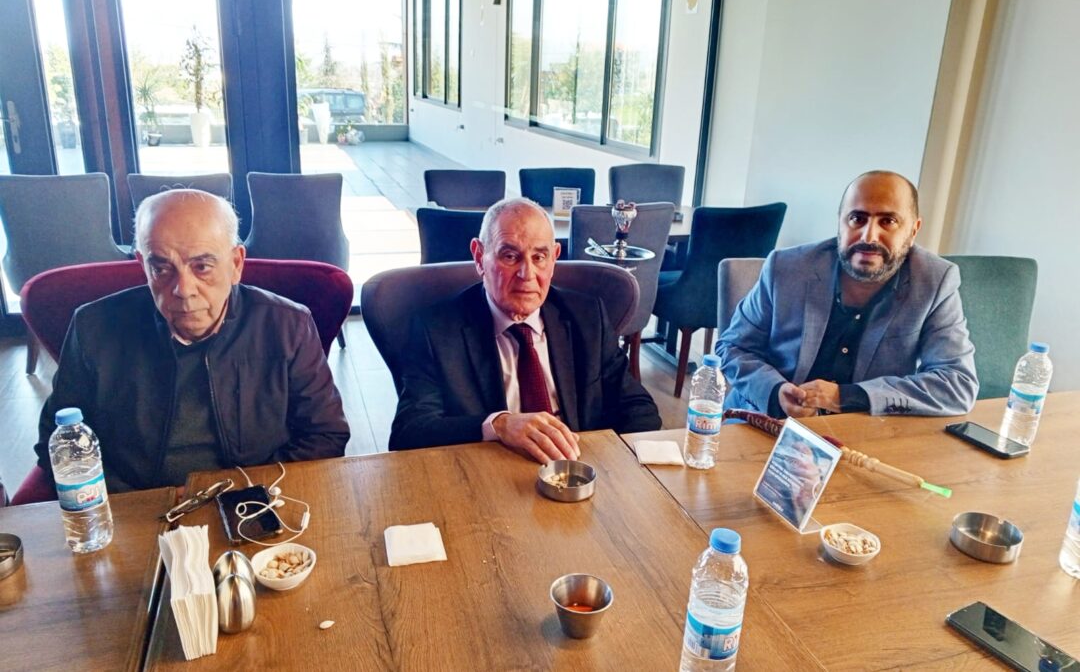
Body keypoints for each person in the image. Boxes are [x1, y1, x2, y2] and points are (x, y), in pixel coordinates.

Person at [32, 189, 350, 492]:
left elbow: (325, 435)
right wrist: (132, 503)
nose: (183, 289)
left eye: (202, 267)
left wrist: (236, 491)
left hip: (252, 499)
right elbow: (58, 441)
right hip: (134, 503)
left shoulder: (287, 325)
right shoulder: (93, 328)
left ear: (236, 264)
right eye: (161, 268)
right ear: (142, 265)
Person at [389, 197, 661, 462]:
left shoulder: (588, 316)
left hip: (577, 468)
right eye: (510, 256)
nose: (527, 274)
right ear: (480, 257)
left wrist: (610, 467)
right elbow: (409, 432)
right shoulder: (436, 330)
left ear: (554, 258)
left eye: (539, 257)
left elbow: (639, 408)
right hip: (489, 472)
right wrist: (498, 425)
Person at [717, 170, 978, 418]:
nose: (869, 236)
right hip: (766, 420)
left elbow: (957, 383)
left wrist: (846, 397)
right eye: (857, 219)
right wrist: (775, 392)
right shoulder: (785, 268)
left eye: (888, 221)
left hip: (861, 431)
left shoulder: (934, 281)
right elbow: (733, 347)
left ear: (913, 230)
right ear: (840, 222)